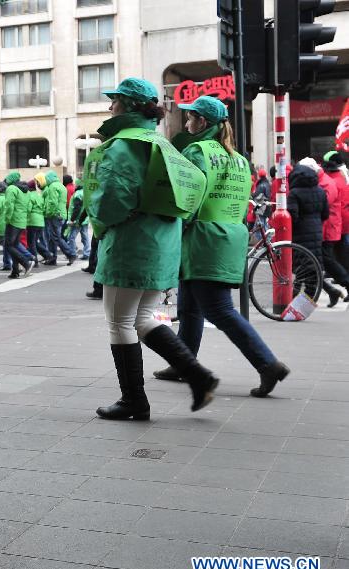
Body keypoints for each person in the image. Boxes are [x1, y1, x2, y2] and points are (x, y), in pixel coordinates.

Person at [85, 77, 218, 420]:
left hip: (131, 246)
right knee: (142, 318)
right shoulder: (164, 145)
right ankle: (198, 376)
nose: (109, 107)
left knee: (120, 322)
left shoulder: (120, 147)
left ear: (126, 107)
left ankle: (134, 401)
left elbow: (112, 199)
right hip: (163, 246)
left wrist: (102, 221)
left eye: (113, 101)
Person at [153, 96, 289, 397]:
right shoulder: (239, 159)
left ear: (202, 122)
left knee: (219, 310)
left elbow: (188, 197)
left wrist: (171, 227)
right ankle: (182, 363)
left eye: (191, 118)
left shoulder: (197, 150)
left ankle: (268, 364)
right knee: (189, 307)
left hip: (203, 239)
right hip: (228, 236)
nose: (187, 123)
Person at [286, 163, 347, 306]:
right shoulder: (320, 191)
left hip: (300, 234)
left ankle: (299, 303)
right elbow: (325, 213)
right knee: (312, 266)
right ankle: (329, 292)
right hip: (317, 232)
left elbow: (293, 216)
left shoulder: (294, 193)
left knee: (303, 267)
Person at [2, 171, 35, 278]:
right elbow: (29, 208)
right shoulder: (27, 191)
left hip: (13, 221)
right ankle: (15, 271)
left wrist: (7, 219)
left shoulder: (11, 189)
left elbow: (9, 205)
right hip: (22, 222)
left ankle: (26, 263)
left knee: (8, 245)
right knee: (14, 245)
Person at [42, 171, 77, 266]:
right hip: (62, 214)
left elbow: (52, 202)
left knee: (56, 237)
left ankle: (71, 254)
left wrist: (48, 213)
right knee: (52, 237)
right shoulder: (61, 186)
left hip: (55, 215)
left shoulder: (52, 187)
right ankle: (52, 258)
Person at [323, 151, 349, 270]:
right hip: (343, 217)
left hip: (339, 219)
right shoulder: (342, 177)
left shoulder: (331, 182)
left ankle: (343, 273)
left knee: (340, 250)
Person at [25, 179, 50, 265]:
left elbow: (28, 209)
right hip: (41, 222)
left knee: (31, 242)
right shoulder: (39, 196)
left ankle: (34, 261)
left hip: (32, 222)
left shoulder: (29, 196)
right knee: (35, 242)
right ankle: (47, 255)